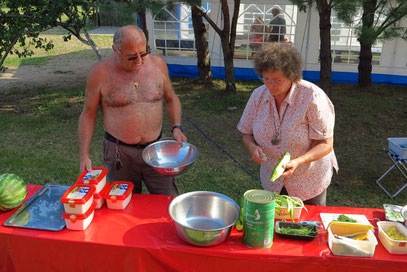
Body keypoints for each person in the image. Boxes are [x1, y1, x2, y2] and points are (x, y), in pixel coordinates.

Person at [78, 25, 187, 196]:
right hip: (119, 153)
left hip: (157, 150)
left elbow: (171, 98)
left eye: (143, 53)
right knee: (123, 205)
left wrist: (177, 127)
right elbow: (88, 114)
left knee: (167, 202)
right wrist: (84, 155)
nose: (139, 60)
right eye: (131, 57)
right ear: (116, 50)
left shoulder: (158, 64)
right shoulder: (100, 73)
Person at [237, 43, 338, 206]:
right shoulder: (258, 95)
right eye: (266, 78)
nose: (269, 85)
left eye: (276, 80)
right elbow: (246, 133)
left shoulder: (312, 97)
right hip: (273, 180)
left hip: (307, 179)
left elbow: (326, 144)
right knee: (275, 223)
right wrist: (252, 148)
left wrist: (298, 162)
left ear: (292, 76)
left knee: (307, 225)